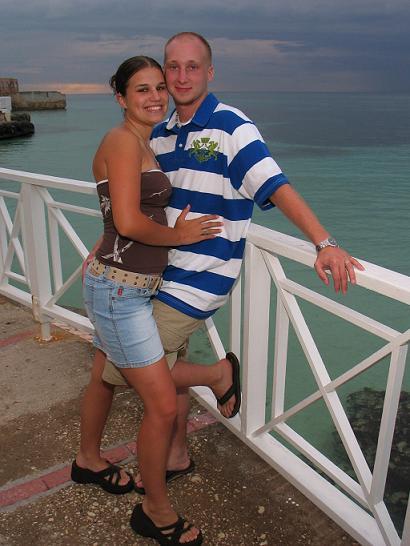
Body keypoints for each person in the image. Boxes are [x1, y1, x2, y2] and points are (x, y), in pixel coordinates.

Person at [81, 31, 364, 529]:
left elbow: (274, 184)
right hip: (155, 275)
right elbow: (138, 204)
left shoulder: (231, 126)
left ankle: (217, 378)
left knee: (125, 373)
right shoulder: (159, 132)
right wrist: (109, 242)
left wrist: (324, 241)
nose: (179, 77)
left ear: (209, 72)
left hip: (197, 280)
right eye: (172, 67)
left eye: (192, 67)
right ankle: (177, 453)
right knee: (150, 367)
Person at [71, 55, 229, 545]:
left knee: (104, 377)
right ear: (121, 98)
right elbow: (127, 221)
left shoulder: (143, 141)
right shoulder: (122, 141)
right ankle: (155, 512)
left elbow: (117, 215)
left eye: (160, 87)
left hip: (121, 284)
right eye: (142, 90)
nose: (157, 96)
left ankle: (88, 460)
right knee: (161, 406)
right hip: (120, 291)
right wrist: (180, 236)